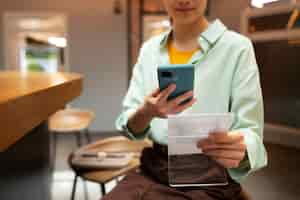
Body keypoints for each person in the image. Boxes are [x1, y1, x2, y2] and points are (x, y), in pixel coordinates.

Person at [104, 0, 268, 199]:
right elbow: (129, 126)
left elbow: (251, 131)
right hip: (153, 170)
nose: (183, 0)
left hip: (210, 174)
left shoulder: (237, 48)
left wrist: (241, 149)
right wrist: (147, 112)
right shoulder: (149, 50)